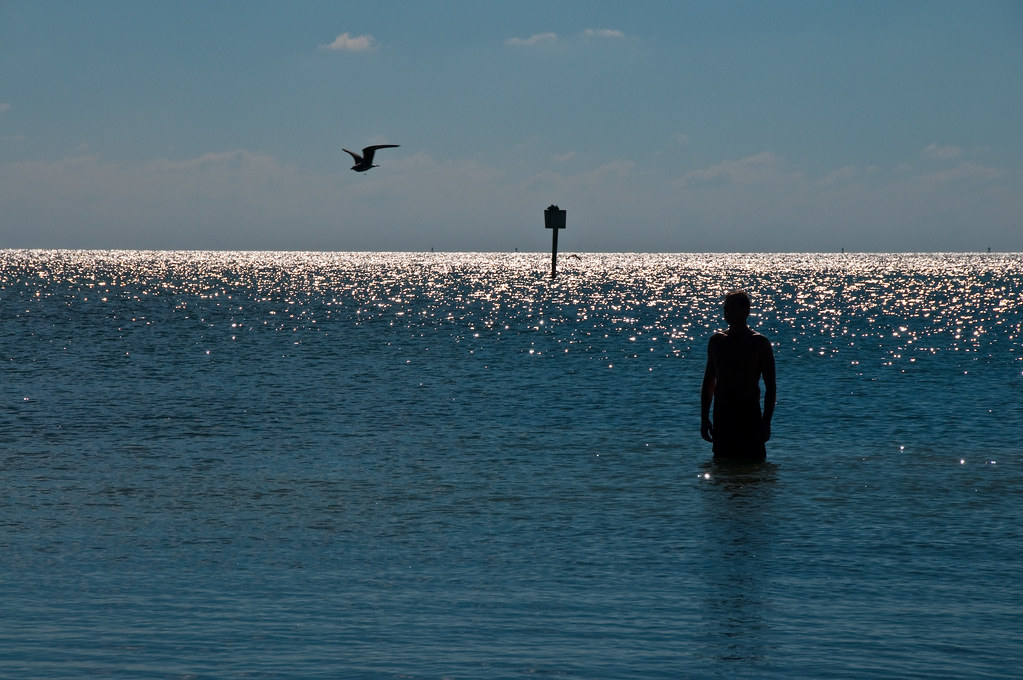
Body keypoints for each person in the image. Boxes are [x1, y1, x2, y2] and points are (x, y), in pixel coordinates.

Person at [701, 291, 776, 463]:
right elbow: (708, 382)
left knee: (754, 467)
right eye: (725, 309)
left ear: (746, 311)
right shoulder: (717, 341)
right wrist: (704, 418)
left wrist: (766, 422)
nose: (728, 313)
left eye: (732, 309)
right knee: (722, 467)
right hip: (723, 415)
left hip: (749, 415)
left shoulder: (759, 343)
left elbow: (771, 387)